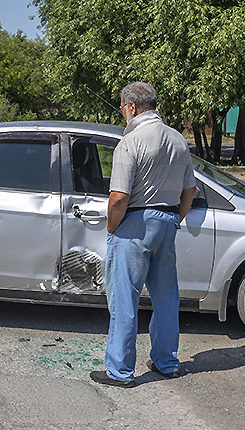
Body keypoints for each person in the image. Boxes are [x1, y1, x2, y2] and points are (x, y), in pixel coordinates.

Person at [90, 82, 196, 388]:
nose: (123, 113)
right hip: (167, 220)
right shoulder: (178, 139)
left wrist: (112, 228)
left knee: (124, 298)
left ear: (132, 107)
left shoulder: (130, 141)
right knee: (166, 296)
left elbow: (119, 197)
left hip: (135, 222)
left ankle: (120, 371)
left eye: (123, 108)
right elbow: (189, 189)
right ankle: (166, 361)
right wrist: (175, 218)